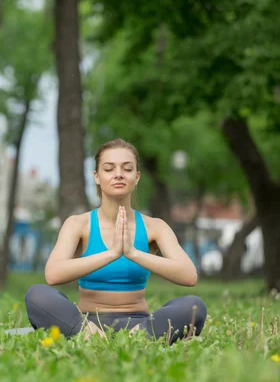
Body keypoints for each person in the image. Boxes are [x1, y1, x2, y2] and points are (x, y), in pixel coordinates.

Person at [24, 139, 206, 345]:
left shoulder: (154, 227)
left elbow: (189, 275)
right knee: (37, 295)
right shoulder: (78, 224)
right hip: (86, 322)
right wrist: (111, 253)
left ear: (137, 177)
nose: (118, 174)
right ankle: (91, 337)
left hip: (140, 324)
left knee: (194, 306)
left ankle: (136, 339)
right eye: (109, 169)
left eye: (127, 169)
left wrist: (133, 253)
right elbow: (53, 274)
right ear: (97, 177)